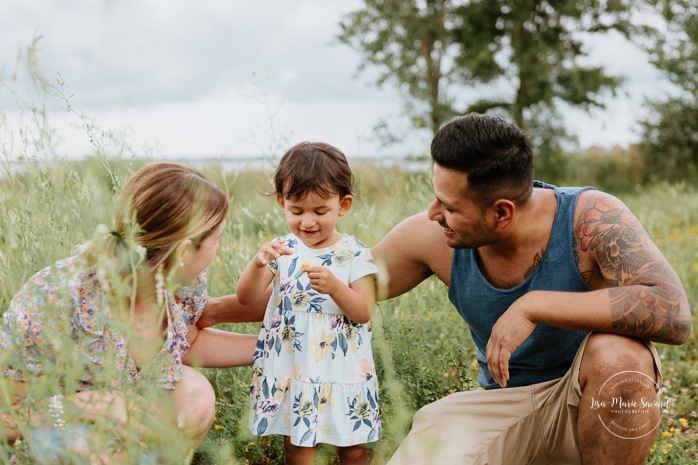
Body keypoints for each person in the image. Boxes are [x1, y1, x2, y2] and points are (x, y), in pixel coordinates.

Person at [371, 113, 691, 465]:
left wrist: (533, 305)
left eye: (449, 206)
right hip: (501, 407)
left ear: (502, 213)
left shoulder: (590, 218)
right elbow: (348, 281)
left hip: (584, 402)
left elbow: (672, 312)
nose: (433, 213)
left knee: (621, 357)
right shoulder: (433, 236)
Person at [0, 162, 258, 463]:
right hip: (53, 437)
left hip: (126, 428)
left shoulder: (179, 283)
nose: (219, 249)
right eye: (216, 240)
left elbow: (187, 344)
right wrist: (91, 405)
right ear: (184, 251)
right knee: (93, 448)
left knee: (195, 398)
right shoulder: (55, 297)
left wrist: (277, 346)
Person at [237, 142, 381, 465]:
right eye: (296, 211)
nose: (307, 222)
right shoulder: (282, 250)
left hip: (342, 373)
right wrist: (258, 263)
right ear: (281, 203)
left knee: (353, 449)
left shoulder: (354, 254)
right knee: (298, 448)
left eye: (320, 211)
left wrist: (335, 288)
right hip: (296, 369)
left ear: (343, 205)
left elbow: (363, 311)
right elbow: (245, 297)